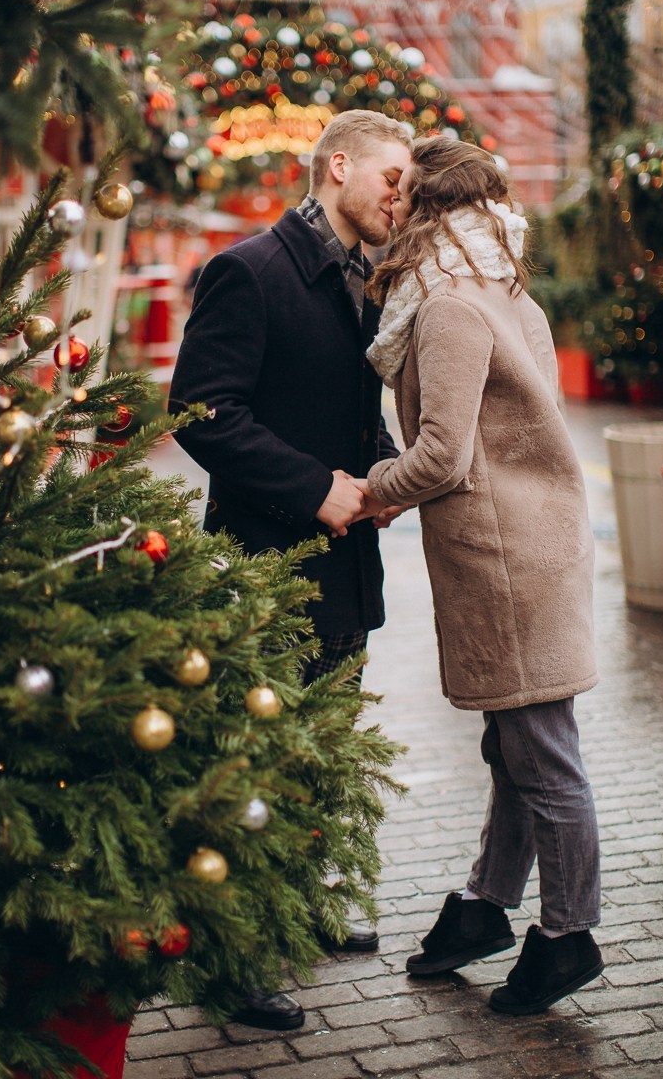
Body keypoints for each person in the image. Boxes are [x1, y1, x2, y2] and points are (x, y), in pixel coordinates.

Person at [168, 109, 413, 1029]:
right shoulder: (249, 270)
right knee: (250, 770)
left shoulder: (367, 281)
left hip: (345, 571)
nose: (401, 200)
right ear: (338, 165)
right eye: (391, 179)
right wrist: (316, 489)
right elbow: (202, 413)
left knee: (321, 759)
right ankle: (232, 958)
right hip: (264, 571)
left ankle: (301, 904)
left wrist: (383, 472)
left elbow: (345, 411)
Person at [360, 135, 603, 1016]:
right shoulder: (508, 294)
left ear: (426, 211)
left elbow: (442, 455)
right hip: (541, 543)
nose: (391, 212)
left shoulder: (449, 307)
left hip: (505, 561)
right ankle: (485, 906)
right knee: (516, 745)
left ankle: (568, 935)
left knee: (544, 757)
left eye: (403, 197)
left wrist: (368, 492)